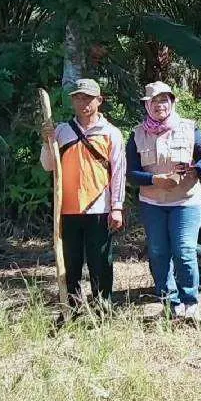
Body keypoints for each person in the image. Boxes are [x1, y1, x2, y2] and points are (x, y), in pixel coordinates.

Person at [40, 79, 126, 310]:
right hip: (67, 207)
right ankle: (73, 308)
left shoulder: (111, 133)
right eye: (78, 97)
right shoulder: (61, 131)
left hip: (99, 206)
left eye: (88, 98)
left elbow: (119, 172)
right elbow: (48, 165)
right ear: (72, 101)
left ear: (99, 100)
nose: (83, 102)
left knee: (100, 262)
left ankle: (102, 308)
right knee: (71, 262)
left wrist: (117, 207)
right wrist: (47, 142)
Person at [126, 82, 201, 321]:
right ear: (147, 105)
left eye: (164, 100)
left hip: (185, 202)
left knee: (184, 250)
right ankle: (169, 301)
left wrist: (197, 170)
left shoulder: (190, 128)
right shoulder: (137, 134)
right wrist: (154, 179)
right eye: (154, 101)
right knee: (159, 252)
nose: (160, 105)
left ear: (172, 102)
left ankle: (190, 301)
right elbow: (130, 173)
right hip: (153, 203)